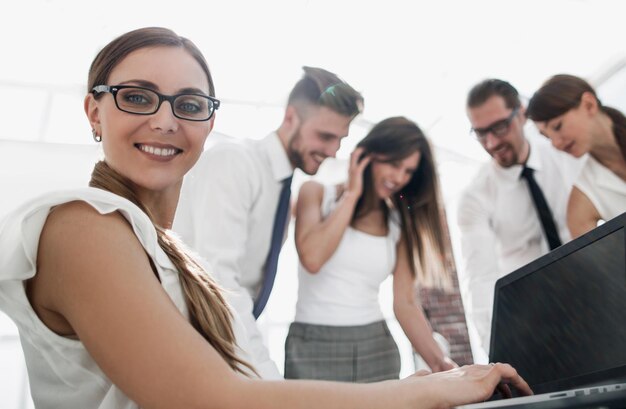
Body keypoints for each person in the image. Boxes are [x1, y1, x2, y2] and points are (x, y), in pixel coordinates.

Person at [0, 26, 532, 409]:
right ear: (95, 111)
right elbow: (215, 379)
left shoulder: (157, 244)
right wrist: (429, 388)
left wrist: (437, 367)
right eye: (137, 97)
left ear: (209, 121)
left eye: (188, 105)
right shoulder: (83, 225)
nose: (165, 121)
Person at [173, 65, 364, 377]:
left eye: (340, 140)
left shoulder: (282, 189)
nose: (332, 151)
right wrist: (266, 376)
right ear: (290, 117)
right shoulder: (235, 163)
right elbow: (219, 284)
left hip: (221, 348)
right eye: (325, 136)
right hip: (191, 349)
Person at [285, 117, 456, 382]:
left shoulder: (398, 223)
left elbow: (406, 303)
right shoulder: (316, 194)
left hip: (376, 346)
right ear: (368, 155)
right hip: (312, 346)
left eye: (409, 172)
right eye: (395, 164)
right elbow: (313, 258)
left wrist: (440, 362)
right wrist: (352, 194)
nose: (399, 178)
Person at [457, 79, 582, 360]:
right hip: (533, 317)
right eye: (480, 133)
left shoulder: (564, 152)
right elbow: (481, 279)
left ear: (521, 113)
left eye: (500, 127)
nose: (492, 142)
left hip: (589, 291)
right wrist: (497, 355)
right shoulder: (475, 198)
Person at [526, 74, 626, 238]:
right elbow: (595, 263)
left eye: (557, 127)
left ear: (589, 105)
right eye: (547, 137)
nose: (555, 144)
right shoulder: (582, 198)